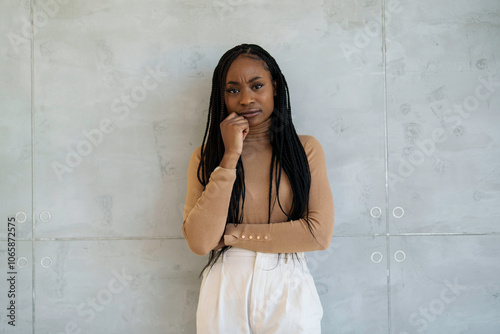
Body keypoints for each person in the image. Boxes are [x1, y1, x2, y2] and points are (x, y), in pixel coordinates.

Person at [182, 43, 334, 334]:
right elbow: (201, 242)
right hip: (225, 286)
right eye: (233, 89)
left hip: (287, 284)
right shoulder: (206, 156)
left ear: (274, 87)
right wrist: (229, 158)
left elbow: (318, 234)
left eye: (257, 85)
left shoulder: (305, 150)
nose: (246, 99)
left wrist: (231, 234)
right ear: (221, 96)